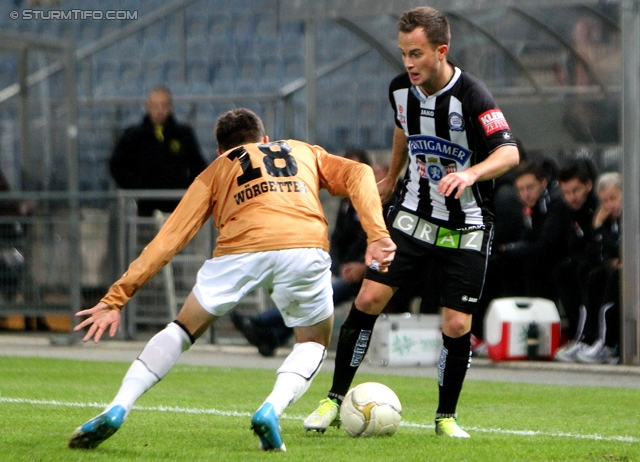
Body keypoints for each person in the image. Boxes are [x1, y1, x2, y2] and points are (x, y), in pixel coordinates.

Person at [67, 108, 395, 452]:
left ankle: (118, 406)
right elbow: (359, 172)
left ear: (221, 150)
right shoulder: (303, 150)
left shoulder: (217, 170)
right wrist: (377, 234)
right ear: (265, 140)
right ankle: (271, 409)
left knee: (181, 330)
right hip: (304, 245)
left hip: (240, 250)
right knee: (312, 342)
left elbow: (168, 240)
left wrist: (116, 298)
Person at [303, 6, 519, 438]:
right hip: (412, 217)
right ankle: (333, 399)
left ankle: (446, 418)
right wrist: (392, 176)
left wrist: (471, 173)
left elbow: (510, 153)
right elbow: (402, 128)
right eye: (403, 53)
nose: (408, 63)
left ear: (441, 51)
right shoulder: (400, 89)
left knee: (456, 325)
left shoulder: (474, 96)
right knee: (367, 300)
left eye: (416, 54)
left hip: (468, 224)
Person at [229, 151, 388, 357]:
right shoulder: (347, 203)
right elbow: (337, 240)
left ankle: (263, 323)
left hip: (371, 273)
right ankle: (273, 336)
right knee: (309, 284)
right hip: (347, 269)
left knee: (320, 292)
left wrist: (360, 267)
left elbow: (382, 243)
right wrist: (336, 266)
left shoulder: (384, 205)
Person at [110, 85, 207, 216]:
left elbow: (198, 165)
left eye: (164, 105)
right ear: (148, 106)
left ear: (171, 107)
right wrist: (137, 186)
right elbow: (117, 166)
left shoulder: (183, 134)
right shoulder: (133, 136)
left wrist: (186, 188)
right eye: (156, 106)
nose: (160, 110)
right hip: (143, 206)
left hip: (176, 206)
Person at [493, 160, 565, 301]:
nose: (525, 194)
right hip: (540, 257)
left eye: (530, 187)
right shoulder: (531, 207)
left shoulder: (554, 204)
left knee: (531, 266)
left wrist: (508, 249)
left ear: (543, 183)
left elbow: (547, 245)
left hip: (555, 260)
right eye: (520, 189)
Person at [552, 159, 599, 362]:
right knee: (562, 270)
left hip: (596, 263)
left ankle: (588, 337)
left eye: (576, 190)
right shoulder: (566, 211)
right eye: (566, 192)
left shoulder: (598, 206)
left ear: (588, 185)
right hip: (580, 262)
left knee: (587, 273)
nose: (571, 197)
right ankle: (575, 333)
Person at [574, 172, 622, 364]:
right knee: (592, 274)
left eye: (613, 198)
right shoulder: (610, 223)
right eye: (605, 201)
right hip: (612, 269)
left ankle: (608, 343)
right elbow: (600, 254)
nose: (609, 205)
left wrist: (599, 227)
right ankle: (588, 338)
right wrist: (598, 228)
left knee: (611, 279)